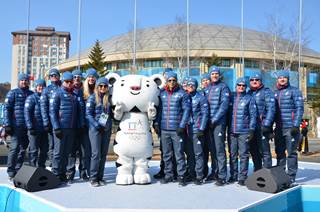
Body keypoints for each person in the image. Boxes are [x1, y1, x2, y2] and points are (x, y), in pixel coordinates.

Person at [158, 72, 191, 186]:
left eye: (173, 80)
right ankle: (168, 175)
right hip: (164, 129)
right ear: (166, 81)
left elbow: (187, 110)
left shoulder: (182, 94)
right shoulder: (161, 94)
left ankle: (181, 175)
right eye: (169, 80)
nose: (171, 82)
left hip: (177, 130)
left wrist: (182, 125)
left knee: (179, 153)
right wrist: (157, 124)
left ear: (176, 81)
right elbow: (159, 111)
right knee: (166, 154)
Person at [50, 72, 83, 183]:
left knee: (67, 153)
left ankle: (63, 173)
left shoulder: (74, 95)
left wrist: (78, 126)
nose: (69, 84)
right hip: (61, 128)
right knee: (58, 153)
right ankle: (55, 173)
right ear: (63, 82)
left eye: (70, 82)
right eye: (67, 82)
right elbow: (52, 112)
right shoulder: (57, 93)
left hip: (71, 129)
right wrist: (56, 127)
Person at [274, 70, 304, 184]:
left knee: (291, 153)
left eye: (284, 78)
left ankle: (291, 176)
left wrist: (296, 125)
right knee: (279, 152)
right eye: (280, 77)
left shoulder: (294, 91)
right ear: (277, 79)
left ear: (288, 79)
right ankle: (281, 175)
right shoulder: (275, 93)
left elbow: (299, 108)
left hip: (290, 128)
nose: (282, 79)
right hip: (279, 128)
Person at [204, 66, 231, 186]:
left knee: (219, 149)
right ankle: (214, 172)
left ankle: (222, 175)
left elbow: (224, 105)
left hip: (218, 123)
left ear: (219, 75)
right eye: (212, 73)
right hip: (208, 123)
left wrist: (214, 119)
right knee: (212, 150)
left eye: (216, 73)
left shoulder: (223, 87)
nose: (214, 75)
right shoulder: (207, 89)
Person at [4, 73, 33, 180]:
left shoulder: (31, 94)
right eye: (22, 80)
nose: (24, 82)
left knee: (22, 149)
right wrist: (7, 124)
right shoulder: (13, 93)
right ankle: (11, 171)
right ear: (19, 81)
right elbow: (7, 109)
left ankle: (18, 168)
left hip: (27, 127)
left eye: (26, 80)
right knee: (14, 148)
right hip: (16, 126)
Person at [229, 78, 257, 186]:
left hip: (244, 131)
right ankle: (233, 175)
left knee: (244, 155)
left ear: (246, 87)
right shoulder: (232, 98)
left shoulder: (249, 99)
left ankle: (242, 177)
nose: (241, 87)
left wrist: (251, 129)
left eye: (243, 86)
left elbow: (253, 115)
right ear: (236, 86)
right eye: (239, 85)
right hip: (232, 131)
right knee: (232, 154)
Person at [86, 78, 113, 187]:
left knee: (103, 154)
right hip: (95, 129)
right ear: (97, 87)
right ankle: (93, 177)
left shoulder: (108, 99)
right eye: (101, 86)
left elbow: (109, 114)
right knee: (96, 154)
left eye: (105, 86)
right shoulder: (92, 98)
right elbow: (88, 114)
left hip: (106, 129)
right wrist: (97, 125)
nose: (103, 88)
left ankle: (100, 177)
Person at [247, 73, 275, 170]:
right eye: (252, 80)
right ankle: (258, 171)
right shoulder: (248, 93)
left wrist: (267, 124)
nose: (254, 81)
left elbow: (271, 109)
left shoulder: (266, 92)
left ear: (260, 81)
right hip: (251, 128)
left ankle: (267, 172)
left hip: (262, 127)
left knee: (265, 151)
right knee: (254, 151)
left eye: (257, 79)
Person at [66, 69, 90, 182]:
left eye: (78, 77)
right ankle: (70, 173)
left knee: (84, 152)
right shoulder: (69, 91)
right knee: (71, 151)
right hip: (72, 127)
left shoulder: (85, 91)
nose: (76, 79)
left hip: (84, 126)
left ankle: (83, 172)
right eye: (74, 77)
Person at [186, 78, 209, 184]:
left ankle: (200, 175)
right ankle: (191, 174)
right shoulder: (185, 97)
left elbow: (205, 114)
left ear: (195, 86)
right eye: (188, 85)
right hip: (186, 130)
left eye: (192, 85)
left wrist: (201, 128)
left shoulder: (201, 98)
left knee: (198, 154)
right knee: (190, 154)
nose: (190, 86)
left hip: (196, 130)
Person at [24, 79, 48, 168]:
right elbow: (27, 113)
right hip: (34, 128)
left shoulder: (46, 98)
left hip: (44, 129)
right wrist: (30, 127)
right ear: (36, 87)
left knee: (44, 150)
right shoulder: (31, 98)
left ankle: (41, 167)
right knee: (33, 150)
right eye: (39, 86)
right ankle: (32, 167)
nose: (41, 87)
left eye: (42, 86)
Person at [40, 68, 61, 167]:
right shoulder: (46, 90)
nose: (54, 77)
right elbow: (43, 107)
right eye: (52, 76)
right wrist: (46, 122)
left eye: (55, 75)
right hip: (51, 122)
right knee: (52, 145)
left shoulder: (63, 87)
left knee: (61, 146)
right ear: (49, 78)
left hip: (63, 122)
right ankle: (53, 165)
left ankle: (60, 167)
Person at [199, 73, 214, 179]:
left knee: (213, 150)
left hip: (212, 125)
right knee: (202, 150)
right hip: (200, 126)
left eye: (207, 80)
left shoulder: (214, 92)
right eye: (203, 80)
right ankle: (203, 171)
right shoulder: (199, 94)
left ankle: (215, 172)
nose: (205, 82)